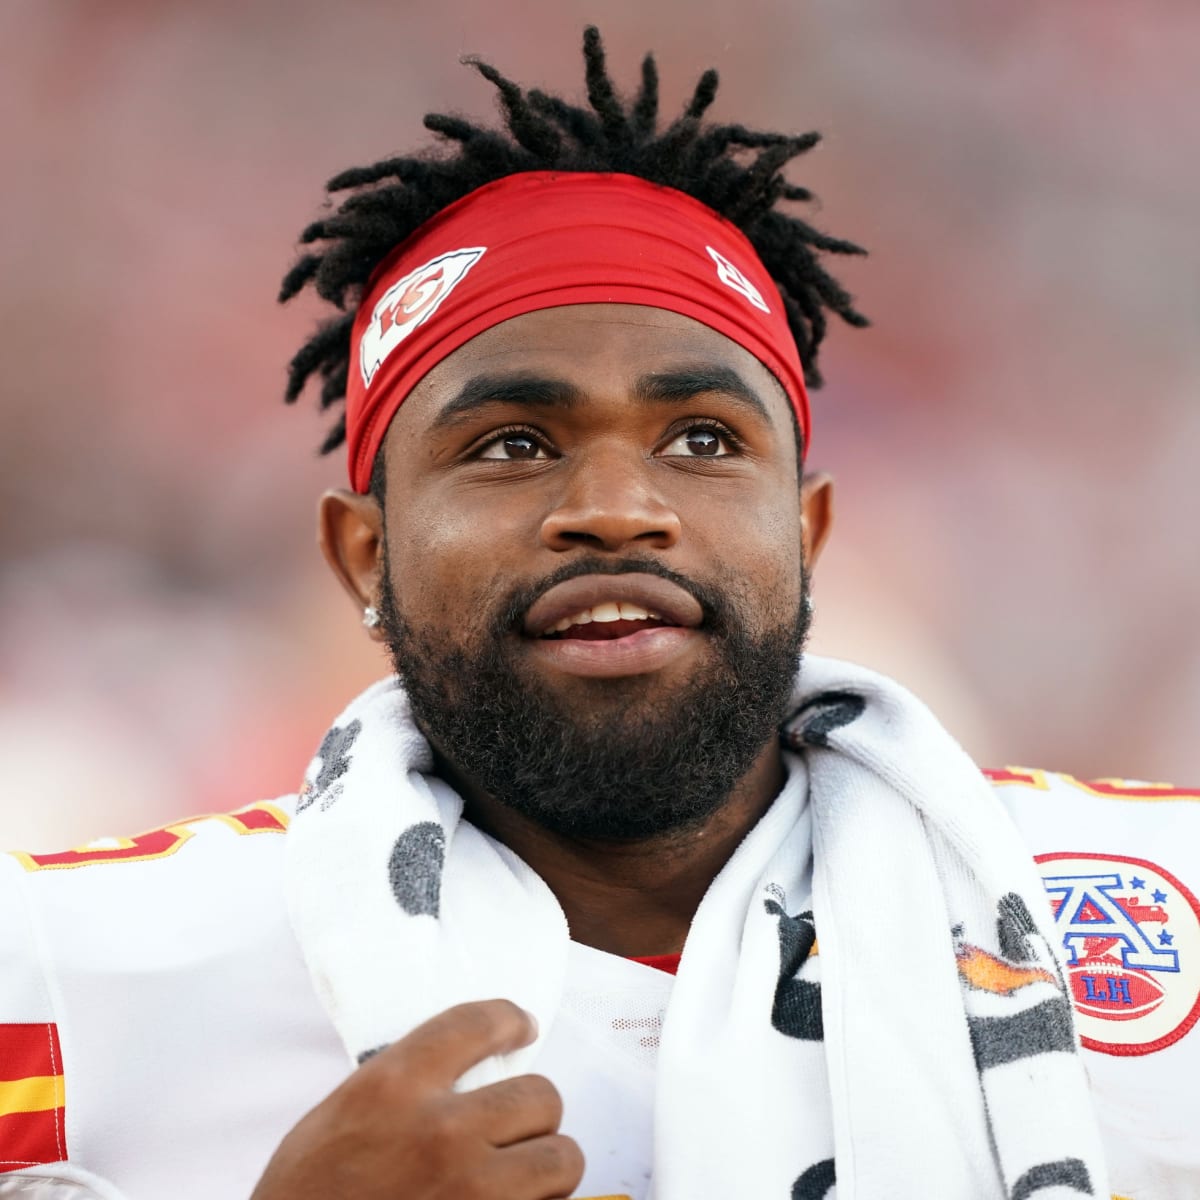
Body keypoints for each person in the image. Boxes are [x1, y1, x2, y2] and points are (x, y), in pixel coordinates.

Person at [1, 27, 1196, 1200]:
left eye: (702, 439)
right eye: (513, 444)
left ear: (810, 534)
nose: (617, 510)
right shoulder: (74, 974)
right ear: (364, 555)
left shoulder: (1159, 900)